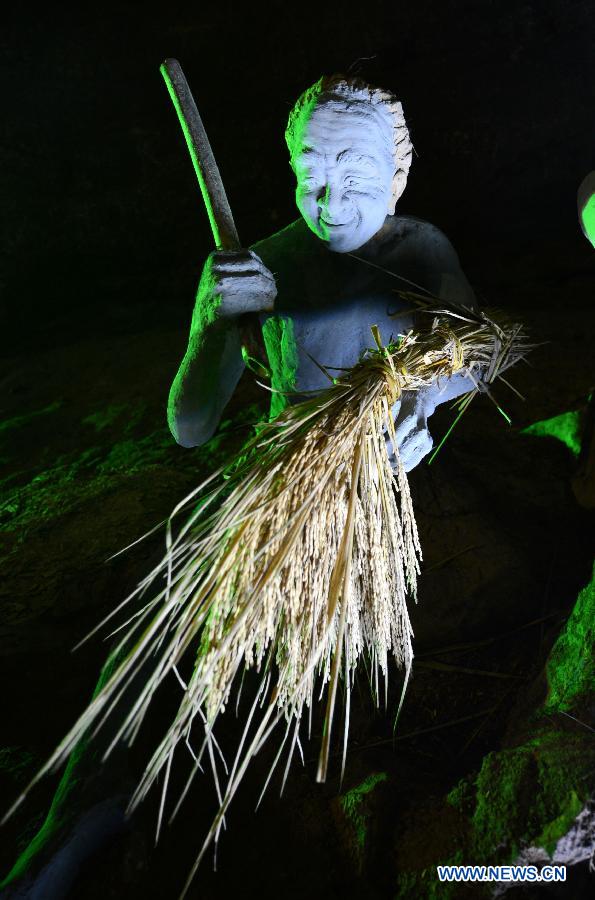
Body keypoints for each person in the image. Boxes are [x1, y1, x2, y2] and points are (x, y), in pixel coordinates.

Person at [1, 74, 478, 899]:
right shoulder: (263, 265)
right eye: (309, 170)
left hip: (358, 499)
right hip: (262, 488)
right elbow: (190, 426)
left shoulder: (418, 250)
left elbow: (468, 352)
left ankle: (201, 822)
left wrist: (420, 409)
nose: (330, 196)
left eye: (356, 170)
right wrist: (208, 325)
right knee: (163, 651)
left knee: (285, 687)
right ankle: (77, 825)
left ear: (398, 172)